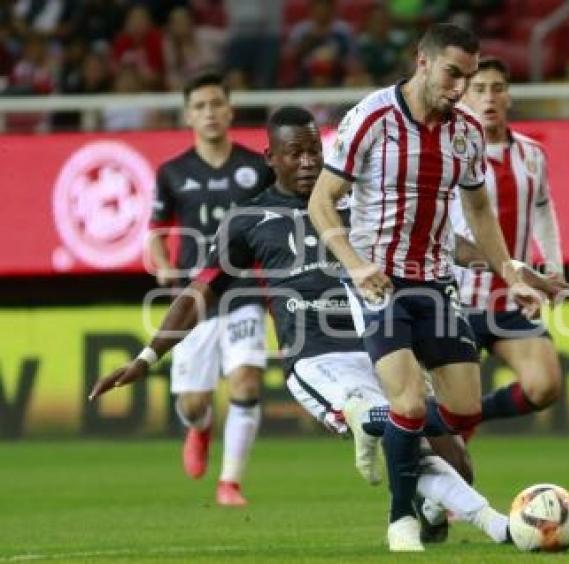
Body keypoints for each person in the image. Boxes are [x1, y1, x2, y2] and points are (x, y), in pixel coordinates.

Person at [88, 105, 515, 547]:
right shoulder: (248, 219)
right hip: (317, 358)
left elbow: (442, 244)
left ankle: (427, 509)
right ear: (270, 157)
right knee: (391, 426)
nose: (309, 161)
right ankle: (500, 526)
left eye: (315, 150)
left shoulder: (357, 207)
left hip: (384, 351)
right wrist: (146, 356)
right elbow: (200, 292)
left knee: (458, 461)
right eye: (295, 153)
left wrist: (511, 268)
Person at [307, 23, 544, 551]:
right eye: (452, 74)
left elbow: (478, 209)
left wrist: (510, 272)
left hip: (436, 284)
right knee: (411, 403)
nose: (460, 88)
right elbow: (321, 200)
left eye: (469, 76)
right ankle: (400, 520)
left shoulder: (464, 133)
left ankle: (377, 424)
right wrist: (354, 264)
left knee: (463, 411)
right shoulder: (371, 117)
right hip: (378, 282)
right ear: (423, 62)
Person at [147, 70, 274, 506]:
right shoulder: (172, 173)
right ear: (188, 115)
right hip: (194, 298)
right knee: (194, 403)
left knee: (246, 381)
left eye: (216, 104)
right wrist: (163, 265)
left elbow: (272, 226)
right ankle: (199, 428)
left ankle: (230, 482)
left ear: (230, 109)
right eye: (200, 106)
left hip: (243, 292)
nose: (210, 113)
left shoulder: (256, 168)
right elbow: (156, 232)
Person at [451, 57, 569, 433]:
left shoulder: (532, 154)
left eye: (497, 89)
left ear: (509, 97)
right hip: (456, 301)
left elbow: (542, 208)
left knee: (545, 385)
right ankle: (448, 430)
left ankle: (467, 415)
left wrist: (552, 268)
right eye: (479, 89)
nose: (489, 98)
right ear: (463, 99)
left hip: (510, 300)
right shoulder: (448, 154)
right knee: (455, 425)